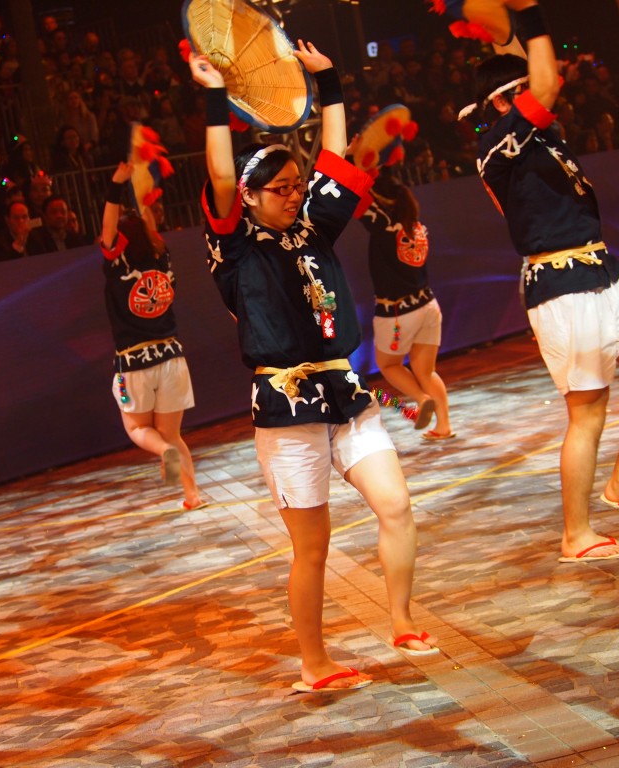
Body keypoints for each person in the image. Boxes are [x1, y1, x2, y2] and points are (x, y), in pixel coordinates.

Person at [189, 41, 438, 693]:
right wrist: (214, 95)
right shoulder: (233, 245)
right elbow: (219, 173)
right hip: (285, 406)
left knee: (397, 505)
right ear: (249, 196)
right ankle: (314, 663)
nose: (296, 196)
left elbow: (336, 162)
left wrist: (328, 82)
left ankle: (403, 620)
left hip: (345, 395)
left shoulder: (313, 229)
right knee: (314, 549)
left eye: (298, 187)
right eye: (281, 189)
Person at [467, 0, 619, 562]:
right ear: (506, 100)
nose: (551, 93)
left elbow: (538, 72)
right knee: (588, 411)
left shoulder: (536, 137)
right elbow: (548, 79)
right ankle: (575, 534)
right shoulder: (497, 145)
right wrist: (530, 13)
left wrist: (508, 29)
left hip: (604, 272)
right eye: (527, 88)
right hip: (561, 286)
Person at [100, 161, 203, 510]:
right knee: (172, 433)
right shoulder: (163, 256)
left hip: (134, 361)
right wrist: (143, 186)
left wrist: (117, 185)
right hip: (172, 357)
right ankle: (191, 495)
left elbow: (109, 227)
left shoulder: (120, 265)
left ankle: (165, 454)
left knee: (138, 431)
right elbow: (149, 226)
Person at [359, 171, 452, 439]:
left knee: (388, 365)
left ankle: (422, 400)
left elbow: (358, 202)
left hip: (398, 313)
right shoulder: (416, 225)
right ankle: (444, 425)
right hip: (428, 306)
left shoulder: (384, 225)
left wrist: (358, 165)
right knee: (426, 370)